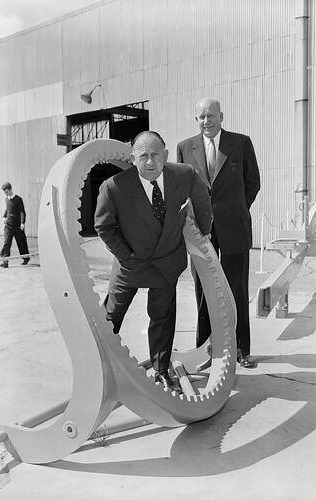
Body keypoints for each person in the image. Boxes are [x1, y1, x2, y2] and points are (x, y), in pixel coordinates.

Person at [94, 131, 212, 391]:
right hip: (130, 264)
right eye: (143, 156)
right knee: (111, 317)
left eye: (156, 154)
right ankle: (99, 368)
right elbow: (104, 226)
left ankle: (161, 372)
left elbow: (202, 200)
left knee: (162, 317)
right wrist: (126, 256)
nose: (150, 162)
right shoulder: (114, 187)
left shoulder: (184, 175)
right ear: (133, 157)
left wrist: (204, 233)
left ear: (166, 155)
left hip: (166, 261)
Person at [177, 98, 260, 368]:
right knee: (203, 290)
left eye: (211, 116)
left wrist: (235, 209)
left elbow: (252, 183)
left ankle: (241, 349)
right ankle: (205, 349)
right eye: (201, 117)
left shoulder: (241, 143)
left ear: (221, 116)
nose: (206, 121)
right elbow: (182, 188)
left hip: (234, 228)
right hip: (201, 231)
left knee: (236, 288)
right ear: (196, 120)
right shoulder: (184, 148)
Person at [0, 182, 30, 268]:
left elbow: (22, 212)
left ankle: (26, 258)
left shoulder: (18, 199)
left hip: (17, 225)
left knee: (21, 242)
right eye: (5, 192)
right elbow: (8, 209)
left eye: (7, 192)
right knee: (7, 242)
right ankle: (5, 262)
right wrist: (4, 216)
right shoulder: (6, 199)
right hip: (8, 226)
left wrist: (22, 223)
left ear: (10, 189)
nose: (6, 194)